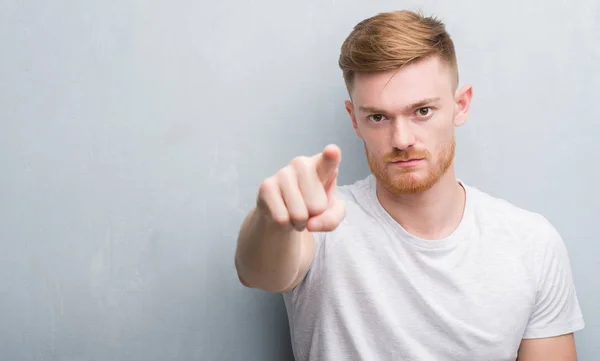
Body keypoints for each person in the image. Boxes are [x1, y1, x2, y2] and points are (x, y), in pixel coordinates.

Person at [234, 9, 585, 361]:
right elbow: (258, 272)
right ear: (354, 120)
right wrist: (271, 220)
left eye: (422, 111)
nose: (401, 139)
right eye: (377, 117)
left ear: (460, 106)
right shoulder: (323, 224)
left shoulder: (531, 244)